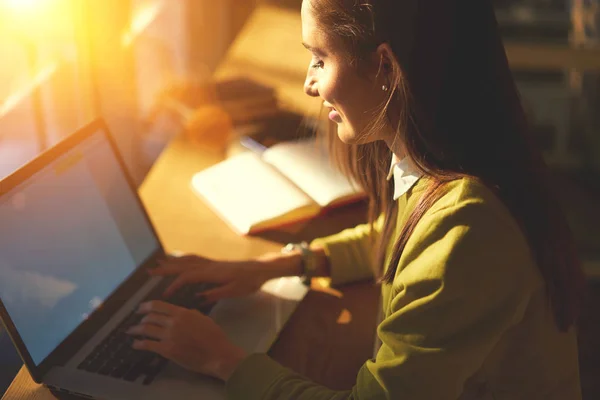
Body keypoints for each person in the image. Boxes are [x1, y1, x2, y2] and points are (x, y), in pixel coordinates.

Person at [126, 0, 586, 398]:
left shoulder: (468, 228)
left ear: (385, 66)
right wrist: (281, 265)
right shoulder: (449, 162)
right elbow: (406, 243)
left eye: (320, 58)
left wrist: (223, 361)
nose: (309, 83)